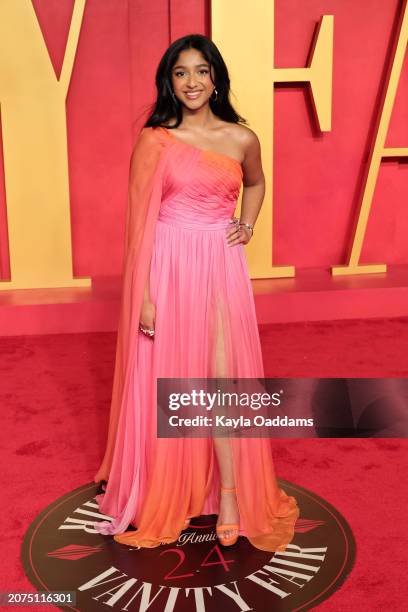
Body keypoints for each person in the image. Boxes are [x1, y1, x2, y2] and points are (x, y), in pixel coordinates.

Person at [93, 33, 298, 551]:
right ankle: (168, 487)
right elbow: (139, 225)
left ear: (215, 78)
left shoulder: (240, 138)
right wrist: (142, 295)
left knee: (223, 379)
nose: (191, 82)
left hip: (220, 263)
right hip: (166, 266)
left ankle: (230, 493)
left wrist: (246, 226)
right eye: (181, 72)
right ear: (169, 80)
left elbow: (256, 183)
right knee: (173, 378)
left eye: (201, 71)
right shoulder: (155, 139)